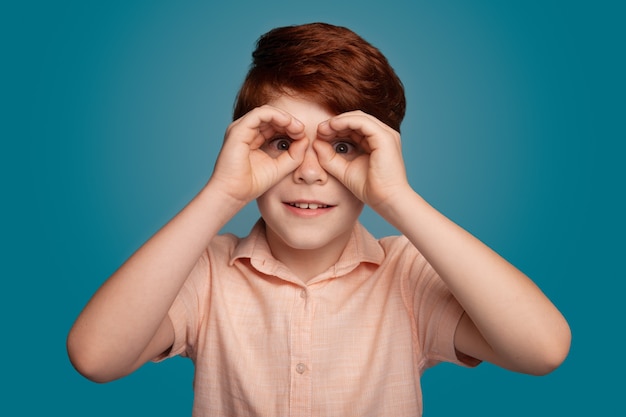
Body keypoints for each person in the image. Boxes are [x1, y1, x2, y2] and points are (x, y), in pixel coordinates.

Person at [67, 22, 571, 416]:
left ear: (380, 156)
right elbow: (96, 358)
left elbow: (543, 350)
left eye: (343, 147)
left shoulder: (407, 275)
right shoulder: (205, 272)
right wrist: (222, 193)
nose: (309, 172)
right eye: (283, 144)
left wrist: (396, 198)